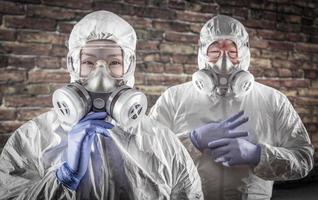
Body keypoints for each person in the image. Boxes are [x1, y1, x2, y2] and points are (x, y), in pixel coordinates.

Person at [0, 11, 203, 200]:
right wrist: (65, 176)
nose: (100, 76)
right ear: (73, 65)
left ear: (129, 66)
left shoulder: (161, 141)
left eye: (114, 63)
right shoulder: (33, 138)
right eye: (88, 62)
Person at [149, 15, 314, 200]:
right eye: (215, 51)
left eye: (232, 51)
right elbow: (147, 155)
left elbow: (304, 159)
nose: (224, 61)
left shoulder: (273, 100)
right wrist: (192, 140)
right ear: (202, 52)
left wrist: (257, 155)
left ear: (245, 53)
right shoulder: (174, 98)